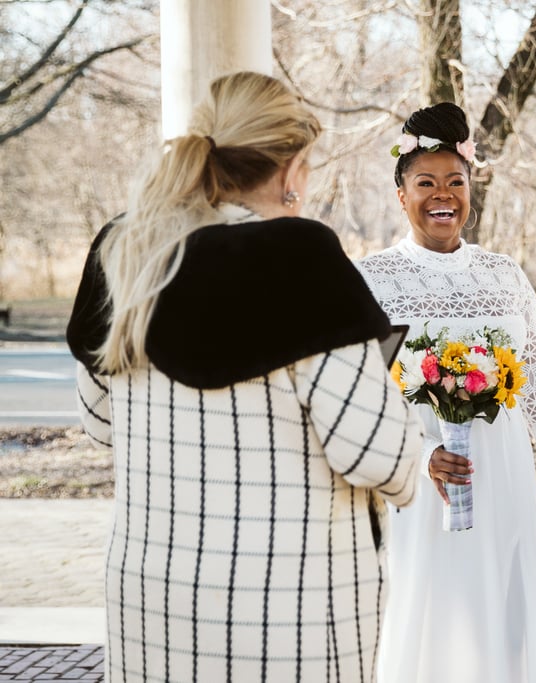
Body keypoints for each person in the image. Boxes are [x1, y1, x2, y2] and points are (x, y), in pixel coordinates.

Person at [64, 71, 421, 683]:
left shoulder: (125, 251)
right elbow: (379, 457)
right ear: (290, 172)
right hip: (286, 616)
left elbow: (99, 420)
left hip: (151, 602)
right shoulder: (301, 261)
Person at [357, 102, 536, 683]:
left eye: (454, 181)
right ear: (401, 194)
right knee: (423, 610)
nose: (443, 194)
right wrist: (416, 455)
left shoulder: (505, 276)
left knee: (503, 613)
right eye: (425, 182)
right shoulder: (371, 280)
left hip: (504, 479)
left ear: (470, 188)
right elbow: (358, 395)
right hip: (418, 485)